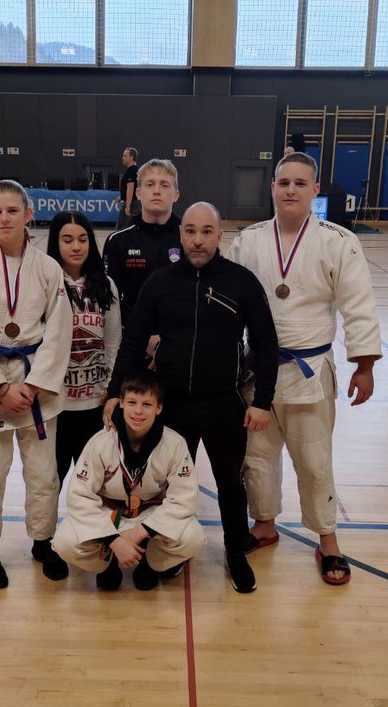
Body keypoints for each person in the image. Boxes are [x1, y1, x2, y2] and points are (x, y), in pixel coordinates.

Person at [103, 201, 279, 594]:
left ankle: (236, 551)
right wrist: (116, 392)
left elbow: (267, 344)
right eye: (190, 232)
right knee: (166, 485)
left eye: (206, 232)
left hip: (224, 404)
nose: (198, 240)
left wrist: (262, 401)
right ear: (181, 235)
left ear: (219, 236)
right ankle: (168, 549)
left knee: (230, 484)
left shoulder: (241, 282)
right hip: (174, 404)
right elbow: (132, 341)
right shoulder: (160, 282)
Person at [228, 152, 381, 587]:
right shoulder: (248, 240)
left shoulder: (338, 241)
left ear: (315, 191)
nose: (291, 190)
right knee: (257, 459)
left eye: (300, 183)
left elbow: (358, 305)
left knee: (314, 462)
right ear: (272, 188)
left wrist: (364, 364)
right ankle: (264, 524)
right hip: (257, 371)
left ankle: (327, 539)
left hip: (310, 369)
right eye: (283, 183)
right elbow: (230, 303)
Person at [0, 179, 72, 590]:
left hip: (36, 385)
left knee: (43, 476)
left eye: (12, 211)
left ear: (28, 215)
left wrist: (35, 385)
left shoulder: (48, 268)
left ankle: (42, 542)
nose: (4, 218)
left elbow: (59, 330)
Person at [53, 372, 205, 591]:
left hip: (150, 512)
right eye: (132, 402)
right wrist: (113, 540)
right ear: (121, 403)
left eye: (147, 404)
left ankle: (149, 561)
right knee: (64, 542)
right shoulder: (101, 442)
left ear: (159, 408)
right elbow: (80, 496)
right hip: (109, 513)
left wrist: (140, 532)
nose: (138, 411)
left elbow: (184, 498)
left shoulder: (175, 443)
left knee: (193, 538)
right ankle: (107, 562)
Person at [46, 211, 121, 487]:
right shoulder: (46, 283)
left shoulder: (105, 285)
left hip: (94, 405)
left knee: (94, 485)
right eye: (67, 240)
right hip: (56, 406)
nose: (76, 246)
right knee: (48, 483)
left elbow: (113, 341)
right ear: (56, 243)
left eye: (82, 239)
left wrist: (111, 386)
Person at [104, 158, 182, 327]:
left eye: (164, 185)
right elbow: (110, 298)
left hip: (178, 335)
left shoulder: (188, 239)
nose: (157, 191)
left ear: (176, 195)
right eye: (150, 184)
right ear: (138, 193)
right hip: (130, 334)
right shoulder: (117, 241)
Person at [115, 147, 139, 229]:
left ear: (131, 157)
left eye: (125, 156)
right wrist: (121, 196)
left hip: (132, 204)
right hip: (136, 203)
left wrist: (128, 205)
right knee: (133, 228)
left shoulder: (131, 171)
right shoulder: (137, 170)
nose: (123, 158)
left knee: (121, 229)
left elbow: (130, 188)